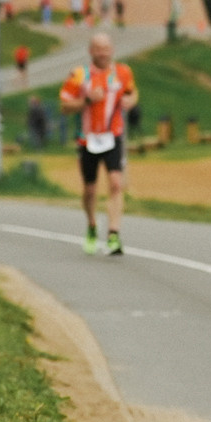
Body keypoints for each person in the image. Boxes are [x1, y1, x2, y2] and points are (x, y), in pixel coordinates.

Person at [58, 31, 137, 255]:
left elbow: (132, 92)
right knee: (90, 189)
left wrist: (130, 100)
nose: (103, 53)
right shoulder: (79, 75)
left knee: (116, 183)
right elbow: (64, 106)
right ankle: (92, 225)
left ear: (112, 50)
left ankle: (113, 234)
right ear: (91, 51)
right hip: (88, 139)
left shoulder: (122, 72)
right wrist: (86, 100)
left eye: (106, 49)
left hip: (113, 136)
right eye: (98, 49)